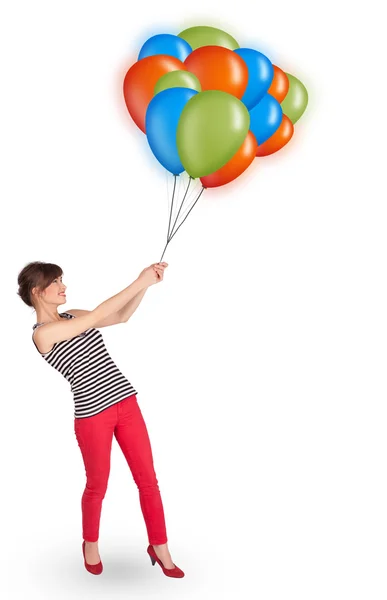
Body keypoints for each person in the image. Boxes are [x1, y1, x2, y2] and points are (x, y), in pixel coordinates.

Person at [17, 260, 185, 578]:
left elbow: (119, 316)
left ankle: (160, 546)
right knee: (97, 486)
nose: (64, 286)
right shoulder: (44, 334)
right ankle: (90, 544)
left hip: (126, 403)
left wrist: (146, 285)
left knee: (149, 480)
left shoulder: (74, 316)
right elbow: (95, 317)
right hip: (92, 416)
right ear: (38, 292)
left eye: (63, 280)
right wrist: (138, 280)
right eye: (56, 282)